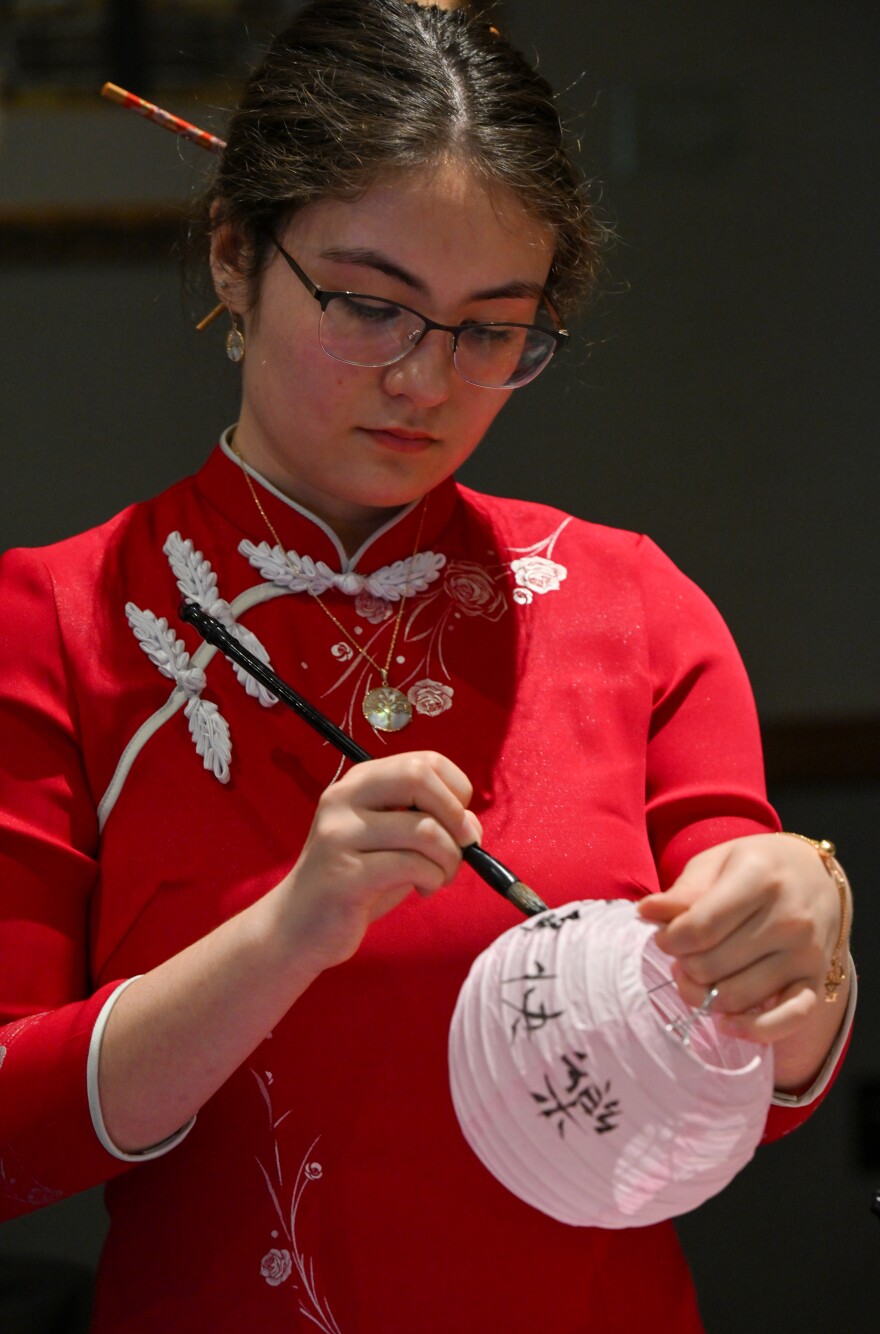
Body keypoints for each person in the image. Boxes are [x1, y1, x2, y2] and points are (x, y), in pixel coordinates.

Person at [0, 1, 854, 1330]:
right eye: (369, 304)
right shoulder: (56, 617)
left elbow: (765, 1085)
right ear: (235, 256)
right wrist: (287, 932)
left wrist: (803, 957)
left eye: (490, 328)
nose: (425, 379)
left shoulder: (630, 599)